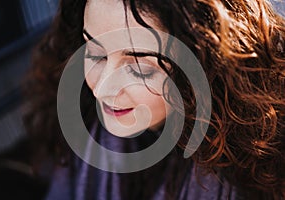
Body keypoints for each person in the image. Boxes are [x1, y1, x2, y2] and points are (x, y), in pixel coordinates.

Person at [24, 0, 285, 199]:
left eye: (140, 68)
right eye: (97, 54)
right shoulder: (87, 128)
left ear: (207, 66)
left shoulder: (249, 179)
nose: (103, 89)